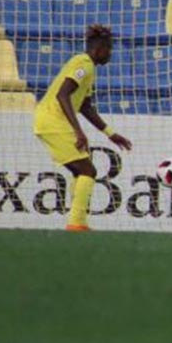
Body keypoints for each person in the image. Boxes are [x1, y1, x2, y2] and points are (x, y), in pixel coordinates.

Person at [32, 24, 133, 231]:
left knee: (81, 171)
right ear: (98, 49)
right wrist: (78, 131)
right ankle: (76, 223)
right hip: (52, 120)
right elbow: (62, 95)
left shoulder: (89, 69)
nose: (110, 54)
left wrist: (110, 134)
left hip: (50, 120)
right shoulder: (83, 63)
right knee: (88, 169)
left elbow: (86, 106)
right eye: (109, 49)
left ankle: (78, 222)